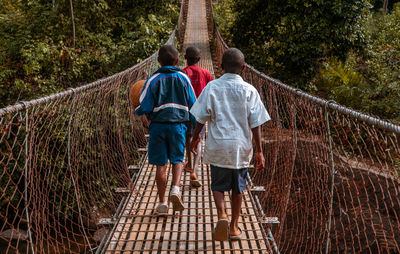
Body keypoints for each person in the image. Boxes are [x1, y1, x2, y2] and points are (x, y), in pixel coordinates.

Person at [190, 48, 270, 241]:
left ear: (221, 66)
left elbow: (200, 117)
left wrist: (195, 137)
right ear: (243, 68)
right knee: (238, 188)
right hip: (241, 147)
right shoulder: (250, 90)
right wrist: (259, 151)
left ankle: (221, 215)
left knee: (217, 185)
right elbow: (256, 123)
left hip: (218, 145)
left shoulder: (212, 87)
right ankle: (234, 227)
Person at [135, 45, 196, 215]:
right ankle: (175, 188)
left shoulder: (153, 80)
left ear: (158, 61)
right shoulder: (184, 78)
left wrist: (138, 111)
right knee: (177, 159)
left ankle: (162, 203)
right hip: (178, 126)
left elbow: (144, 104)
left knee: (160, 165)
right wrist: (195, 123)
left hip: (158, 128)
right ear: (177, 61)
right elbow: (193, 103)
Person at [182, 46, 214, 188]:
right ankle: (194, 169)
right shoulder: (206, 73)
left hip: (184, 110)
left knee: (187, 136)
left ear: (185, 58)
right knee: (198, 138)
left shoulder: (182, 73)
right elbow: (212, 90)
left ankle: (188, 162)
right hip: (200, 111)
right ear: (199, 59)